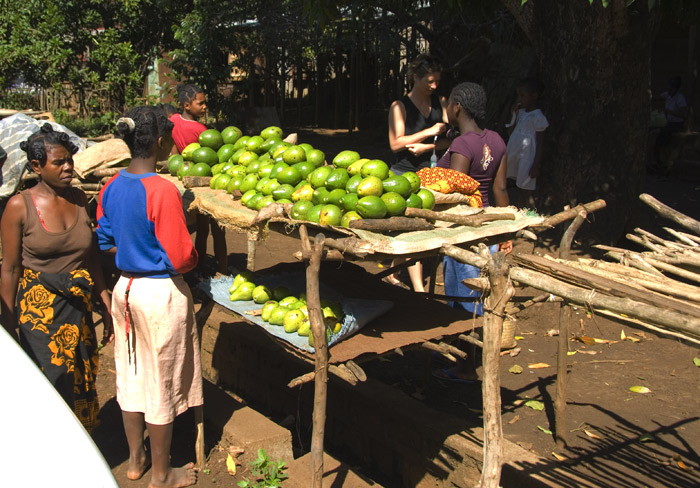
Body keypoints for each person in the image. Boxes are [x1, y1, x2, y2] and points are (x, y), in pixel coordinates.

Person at [96, 106, 201, 487]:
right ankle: (162, 474)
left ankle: (135, 462)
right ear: (160, 142)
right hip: (159, 293)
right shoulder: (162, 190)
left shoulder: (111, 186)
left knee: (131, 375)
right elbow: (180, 257)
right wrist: (189, 252)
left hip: (125, 289)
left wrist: (132, 249)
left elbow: (105, 242)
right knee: (161, 383)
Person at [0, 124, 114, 431]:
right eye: (58, 162)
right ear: (37, 166)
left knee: (83, 377)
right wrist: (9, 326)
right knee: (50, 385)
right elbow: (10, 268)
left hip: (78, 306)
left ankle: (84, 445)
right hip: (40, 315)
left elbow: (91, 256)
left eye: (69, 160)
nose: (68, 167)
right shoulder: (18, 207)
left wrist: (105, 300)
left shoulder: (78, 199)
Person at [432, 82, 511, 382]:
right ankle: (462, 356)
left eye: (449, 104)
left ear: (457, 107)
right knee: (477, 300)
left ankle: (465, 367)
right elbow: (500, 189)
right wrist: (505, 232)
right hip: (487, 231)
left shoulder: (463, 145)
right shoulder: (497, 140)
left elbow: (459, 193)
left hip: (463, 233)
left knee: (462, 303)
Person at [387, 54, 449, 292]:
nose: (434, 86)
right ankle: (418, 288)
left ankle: (395, 270)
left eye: (437, 81)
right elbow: (396, 143)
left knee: (415, 226)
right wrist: (428, 131)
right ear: (416, 77)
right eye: (430, 81)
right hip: (403, 174)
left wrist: (428, 146)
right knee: (413, 227)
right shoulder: (399, 106)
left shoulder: (440, 103)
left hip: (430, 172)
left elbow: (448, 140)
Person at [170, 83, 228, 276]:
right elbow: (213, 156)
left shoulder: (174, 120)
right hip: (205, 179)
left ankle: (199, 266)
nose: (205, 107)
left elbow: (174, 153)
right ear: (186, 105)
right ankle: (222, 269)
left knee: (201, 229)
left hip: (187, 177)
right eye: (200, 104)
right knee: (218, 229)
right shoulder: (201, 130)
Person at [505, 77, 548, 209]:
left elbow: (540, 143)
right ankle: (521, 212)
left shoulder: (538, 117)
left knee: (526, 189)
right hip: (515, 154)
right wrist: (513, 115)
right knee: (519, 186)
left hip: (527, 159)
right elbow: (511, 132)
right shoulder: (521, 113)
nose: (520, 99)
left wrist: (536, 165)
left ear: (534, 96)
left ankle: (530, 215)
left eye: (522, 95)